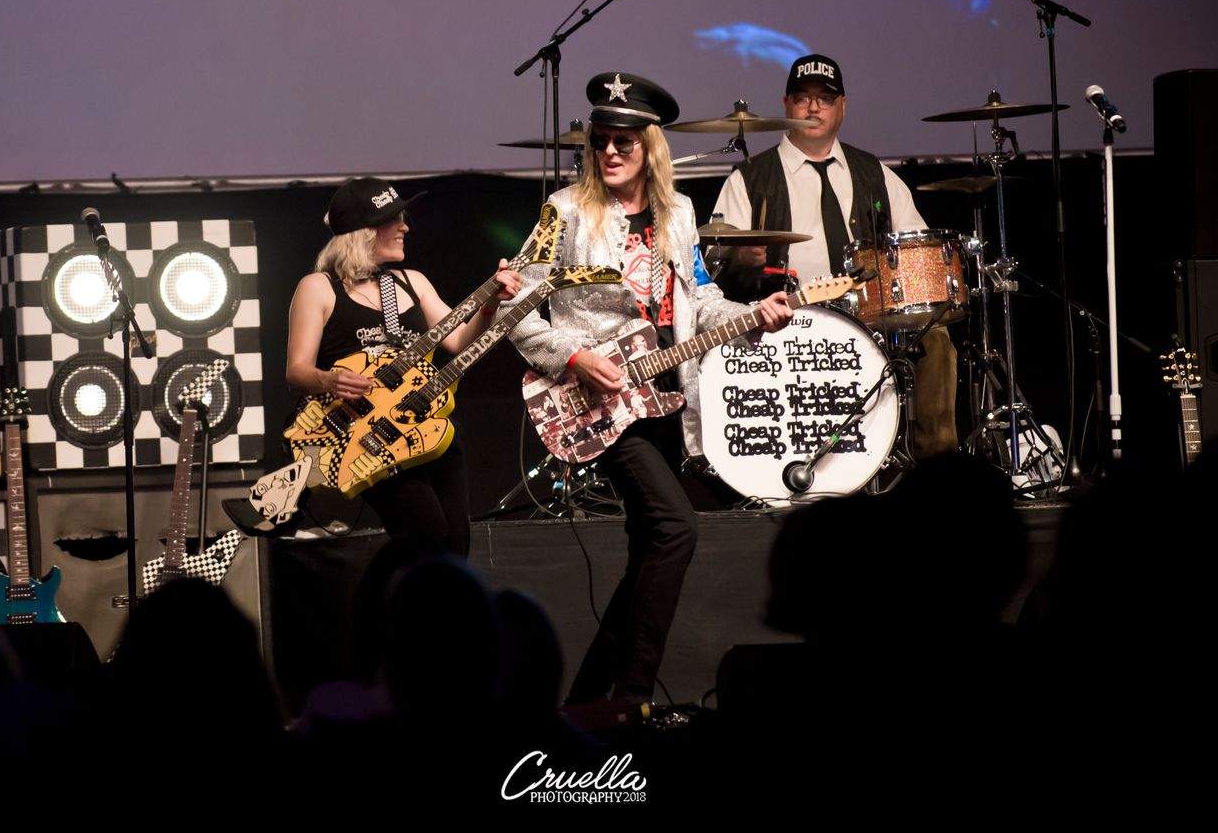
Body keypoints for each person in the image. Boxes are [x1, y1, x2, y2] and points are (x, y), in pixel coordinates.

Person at [507, 72, 792, 703]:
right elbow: (515, 307)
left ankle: (587, 705)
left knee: (647, 555)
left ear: (650, 146)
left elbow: (702, 300)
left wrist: (754, 314)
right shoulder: (564, 212)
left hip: (662, 394)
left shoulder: (679, 213)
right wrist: (575, 356)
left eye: (623, 142)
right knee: (676, 529)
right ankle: (633, 699)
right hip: (598, 400)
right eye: (600, 141)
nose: (609, 152)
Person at [711, 53, 958, 456]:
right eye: (802, 98)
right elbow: (714, 273)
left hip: (870, 318)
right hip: (787, 320)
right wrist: (744, 262)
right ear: (786, 104)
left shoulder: (874, 173)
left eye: (824, 98)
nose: (813, 107)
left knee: (937, 336)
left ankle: (937, 465)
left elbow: (918, 251)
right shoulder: (750, 179)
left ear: (842, 106)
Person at [284, 176, 521, 556]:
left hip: (426, 426)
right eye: (393, 219)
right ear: (364, 230)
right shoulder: (319, 287)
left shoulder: (413, 282)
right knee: (426, 536)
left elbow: (459, 341)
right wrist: (328, 379)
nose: (405, 227)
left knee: (457, 544)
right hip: (368, 439)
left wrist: (491, 303)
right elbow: (296, 371)